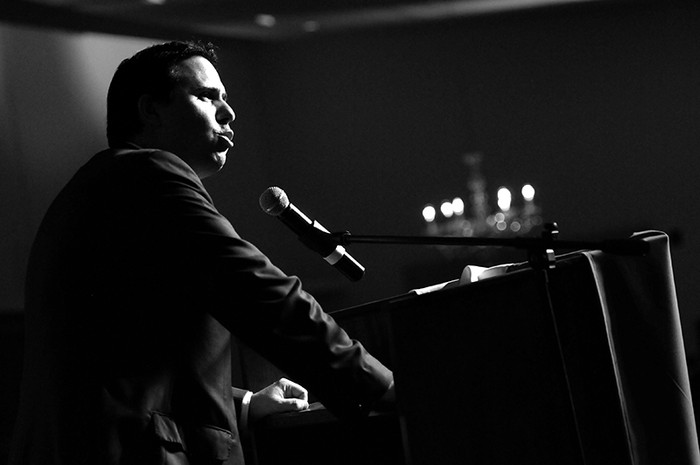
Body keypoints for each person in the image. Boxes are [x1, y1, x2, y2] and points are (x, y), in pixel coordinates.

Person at [9, 40, 394, 465]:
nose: (229, 114)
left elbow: (124, 354)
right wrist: (380, 385)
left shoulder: (102, 184)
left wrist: (244, 404)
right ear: (150, 110)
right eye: (207, 97)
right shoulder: (148, 173)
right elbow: (259, 291)